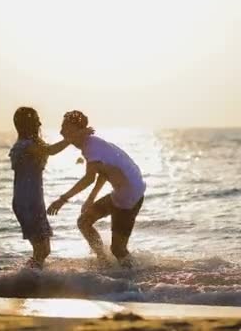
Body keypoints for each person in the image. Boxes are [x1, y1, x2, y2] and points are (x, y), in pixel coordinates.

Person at [47, 111, 146, 268]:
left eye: (65, 127)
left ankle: (133, 278)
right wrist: (91, 198)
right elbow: (104, 173)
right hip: (123, 193)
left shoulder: (91, 146)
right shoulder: (92, 144)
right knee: (84, 221)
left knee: (118, 249)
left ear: (76, 130)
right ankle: (104, 262)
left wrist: (62, 199)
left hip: (129, 196)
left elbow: (89, 178)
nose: (61, 132)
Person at [9, 107, 92, 269]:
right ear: (27, 124)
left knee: (42, 250)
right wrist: (75, 136)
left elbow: (48, 150)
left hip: (32, 201)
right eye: (36, 120)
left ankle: (29, 279)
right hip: (27, 202)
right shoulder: (25, 146)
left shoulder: (31, 144)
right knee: (43, 250)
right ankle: (26, 280)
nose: (40, 123)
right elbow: (51, 151)